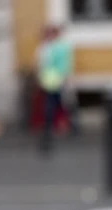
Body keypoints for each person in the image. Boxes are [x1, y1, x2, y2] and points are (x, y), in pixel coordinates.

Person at [36, 24, 73, 152]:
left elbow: (63, 64)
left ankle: (63, 125)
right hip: (49, 79)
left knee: (58, 102)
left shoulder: (58, 47)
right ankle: (57, 125)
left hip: (56, 78)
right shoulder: (46, 47)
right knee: (55, 102)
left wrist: (64, 77)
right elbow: (42, 64)